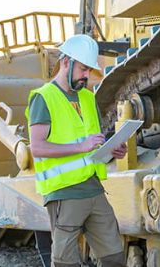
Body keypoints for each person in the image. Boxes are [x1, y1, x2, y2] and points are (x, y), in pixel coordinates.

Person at [26, 34, 127, 267]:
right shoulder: (44, 97)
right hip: (64, 193)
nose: (86, 75)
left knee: (114, 257)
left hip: (93, 189)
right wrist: (81, 146)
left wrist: (112, 150)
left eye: (89, 71)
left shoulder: (88, 97)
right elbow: (38, 148)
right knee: (65, 262)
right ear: (65, 62)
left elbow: (91, 142)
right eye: (83, 69)